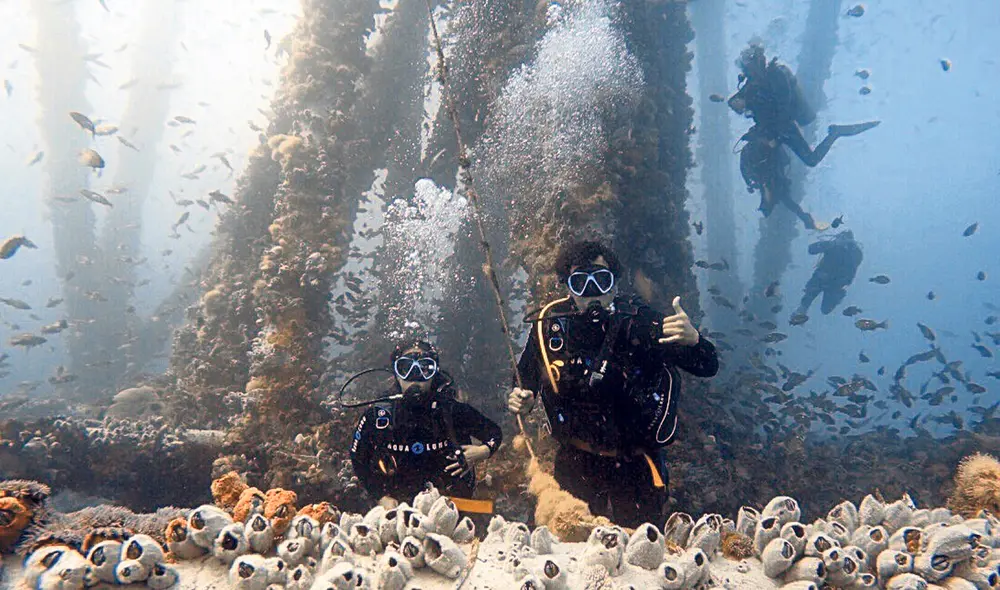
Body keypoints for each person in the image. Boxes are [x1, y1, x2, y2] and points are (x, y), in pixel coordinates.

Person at [508, 241, 719, 527]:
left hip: (636, 463)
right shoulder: (550, 327)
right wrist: (522, 397)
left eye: (602, 280)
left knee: (640, 550)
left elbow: (706, 366)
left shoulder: (641, 323)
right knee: (564, 537)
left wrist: (695, 341)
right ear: (567, 287)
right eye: (581, 282)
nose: (593, 291)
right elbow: (525, 378)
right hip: (575, 459)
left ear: (615, 285)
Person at [728, 43, 879, 229]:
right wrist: (737, 102)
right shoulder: (753, 82)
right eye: (745, 68)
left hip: (784, 128)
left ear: (759, 62)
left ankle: (836, 133)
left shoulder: (777, 75)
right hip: (766, 131)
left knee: (811, 159)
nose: (747, 71)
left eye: (749, 66)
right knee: (768, 170)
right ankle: (783, 205)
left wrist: (774, 136)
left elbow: (784, 105)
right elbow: (734, 100)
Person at [350, 339, 502, 509]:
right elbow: (358, 458)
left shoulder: (451, 410)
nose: (415, 378)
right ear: (396, 374)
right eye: (406, 368)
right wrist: (381, 497)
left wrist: (482, 451)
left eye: (424, 368)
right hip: (397, 506)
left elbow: (494, 433)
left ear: (434, 373)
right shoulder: (378, 416)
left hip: (452, 505)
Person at [795, 230, 863, 317]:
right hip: (820, 278)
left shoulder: (855, 252)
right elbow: (811, 249)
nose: (843, 242)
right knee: (806, 302)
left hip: (836, 283)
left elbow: (853, 268)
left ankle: (838, 296)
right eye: (841, 238)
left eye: (846, 240)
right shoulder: (832, 245)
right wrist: (830, 244)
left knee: (826, 309)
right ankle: (800, 314)